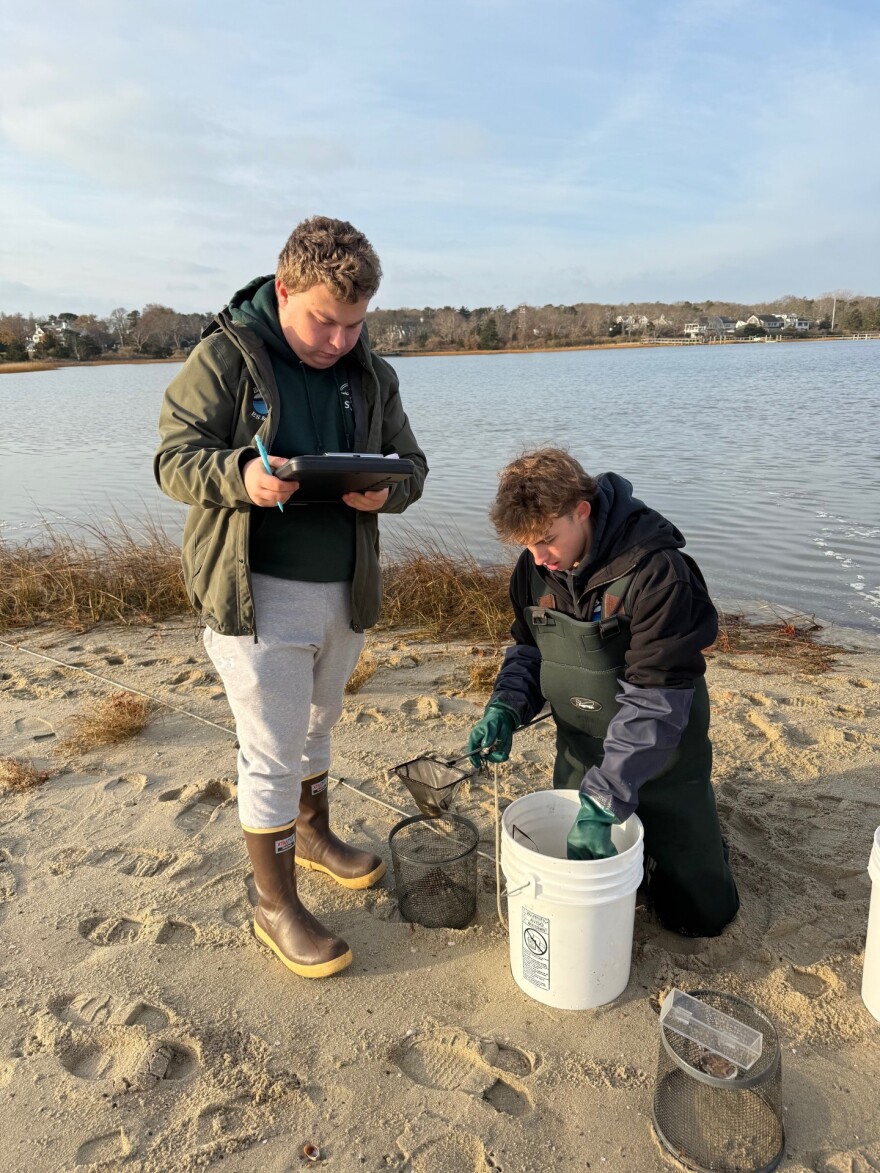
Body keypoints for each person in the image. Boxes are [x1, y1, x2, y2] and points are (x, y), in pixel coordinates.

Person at [155, 216, 427, 978]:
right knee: (270, 749)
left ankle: (311, 834)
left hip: (345, 587)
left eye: (355, 323)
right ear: (284, 291)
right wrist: (240, 475)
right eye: (325, 320)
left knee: (317, 724)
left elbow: (414, 463)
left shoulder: (372, 372)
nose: (341, 339)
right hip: (255, 593)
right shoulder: (224, 356)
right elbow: (173, 459)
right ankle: (272, 904)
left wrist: (386, 493)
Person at [467, 448, 738, 937]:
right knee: (582, 893)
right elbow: (529, 652)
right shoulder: (534, 570)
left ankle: (698, 845)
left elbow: (657, 699)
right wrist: (505, 707)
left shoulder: (659, 572)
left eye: (547, 540)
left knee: (701, 916)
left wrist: (607, 799)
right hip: (581, 751)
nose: (539, 558)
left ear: (582, 510)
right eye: (527, 546)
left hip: (665, 757)